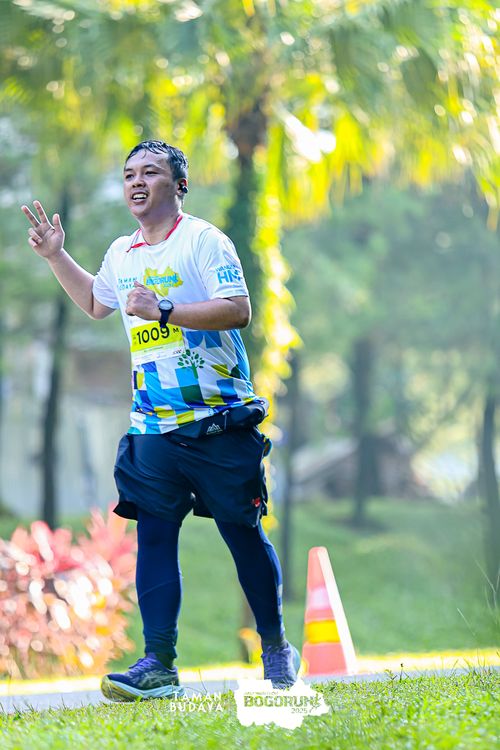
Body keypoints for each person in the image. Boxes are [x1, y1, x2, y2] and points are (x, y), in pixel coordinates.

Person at [21, 140, 300, 701]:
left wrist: (164, 310)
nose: (137, 181)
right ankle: (159, 664)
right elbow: (96, 303)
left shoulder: (203, 241)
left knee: (242, 533)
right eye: (129, 174)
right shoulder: (121, 253)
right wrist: (55, 257)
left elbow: (239, 309)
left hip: (219, 420)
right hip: (153, 426)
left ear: (179, 185)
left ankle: (274, 647)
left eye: (150, 172)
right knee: (154, 535)